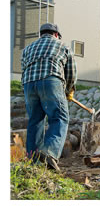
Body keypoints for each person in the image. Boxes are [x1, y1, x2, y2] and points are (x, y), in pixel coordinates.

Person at [21, 23, 77, 171]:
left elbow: (23, 69)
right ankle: (50, 152)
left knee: (35, 121)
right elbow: (71, 73)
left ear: (41, 34)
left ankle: (32, 162)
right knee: (59, 117)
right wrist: (68, 90)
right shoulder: (62, 46)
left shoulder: (28, 48)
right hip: (50, 80)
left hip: (28, 84)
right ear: (56, 35)